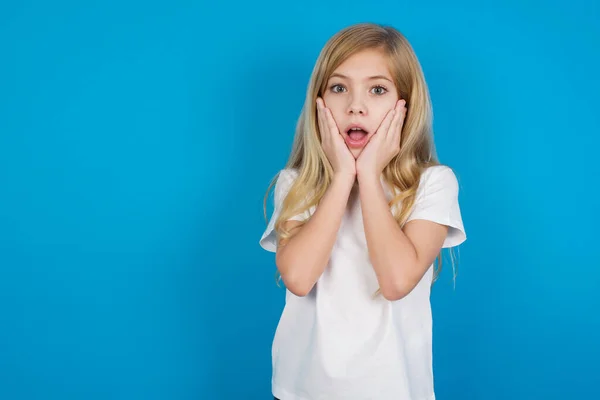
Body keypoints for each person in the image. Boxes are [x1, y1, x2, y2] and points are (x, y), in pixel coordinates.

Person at [259, 22, 467, 400]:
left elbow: (396, 281)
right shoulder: (297, 183)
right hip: (300, 390)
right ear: (319, 103)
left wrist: (369, 176)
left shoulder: (433, 183)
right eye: (339, 88)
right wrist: (342, 178)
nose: (356, 105)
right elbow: (299, 278)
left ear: (405, 104)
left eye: (377, 89)